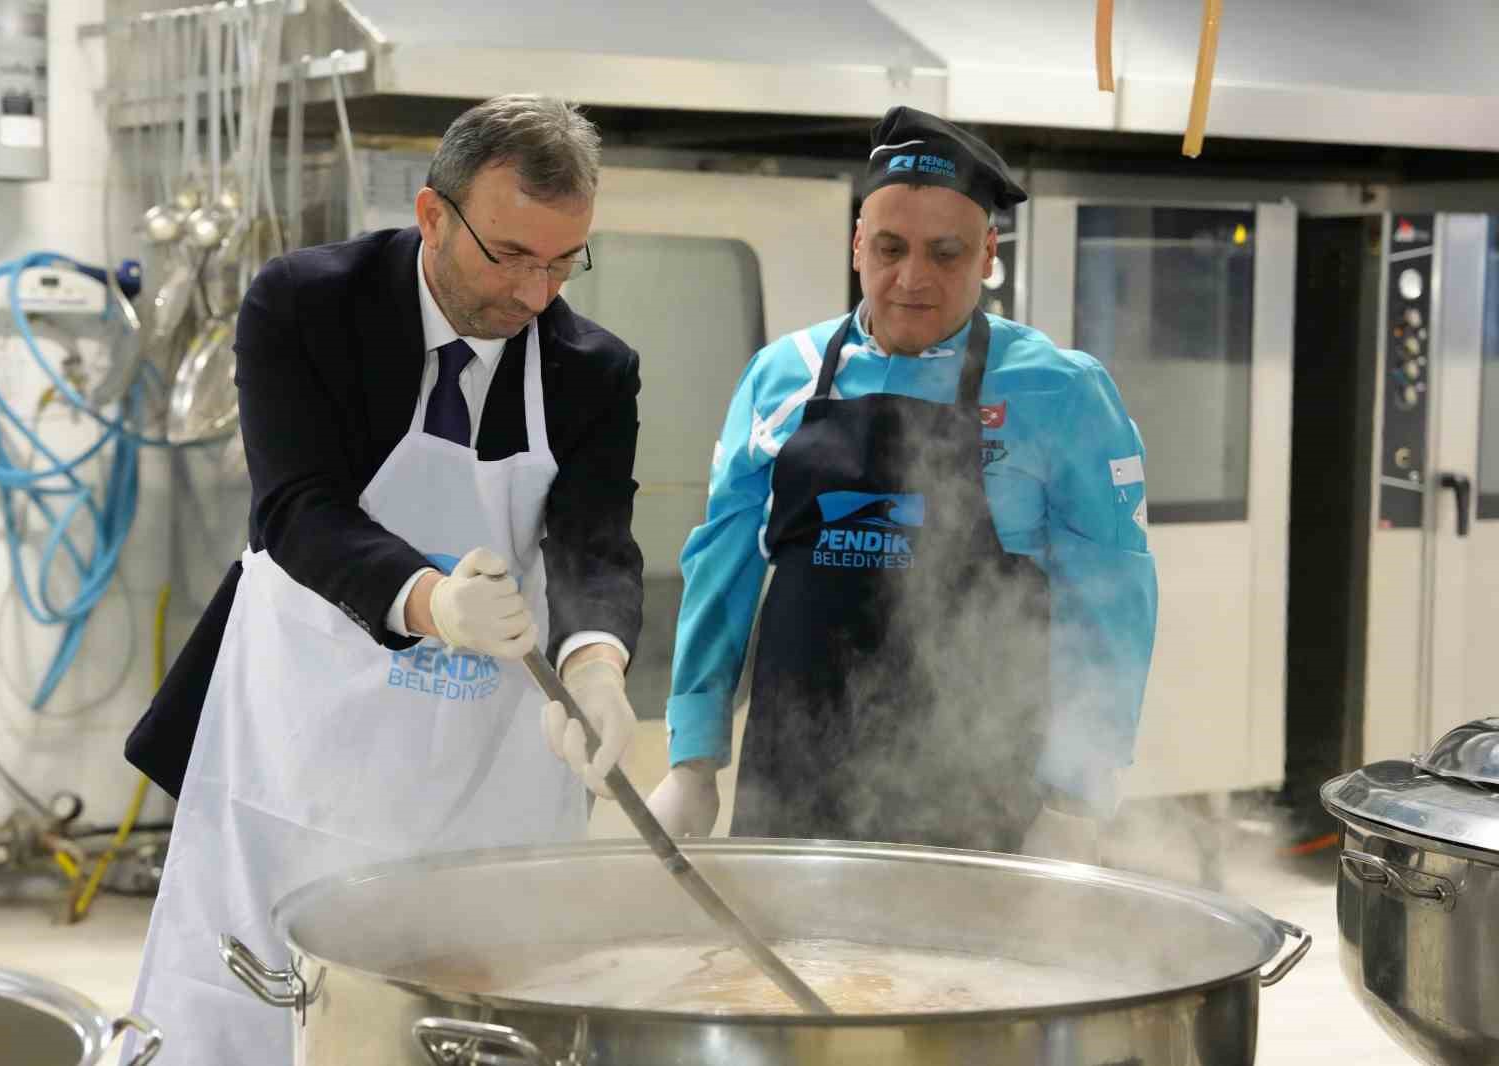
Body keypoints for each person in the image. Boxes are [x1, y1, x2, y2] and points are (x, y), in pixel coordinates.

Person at [123, 95, 644, 1065]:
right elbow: (296, 507)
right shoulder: (305, 304)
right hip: (299, 743)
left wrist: (595, 663)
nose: (536, 294)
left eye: (563, 260)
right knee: (252, 1005)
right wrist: (430, 600)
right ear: (433, 214)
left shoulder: (592, 369)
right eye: (510, 256)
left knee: (470, 1010)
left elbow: (593, 542)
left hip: (483, 757)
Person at [647, 106, 1158, 860]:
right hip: (795, 772)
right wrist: (692, 756)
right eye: (889, 247)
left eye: (945, 253)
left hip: (980, 782)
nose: (912, 279)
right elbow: (722, 564)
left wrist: (1076, 796)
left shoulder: (1064, 393)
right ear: (857, 243)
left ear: (988, 253)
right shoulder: (780, 375)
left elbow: (1110, 600)